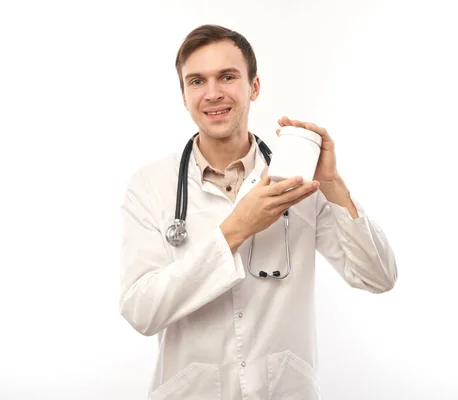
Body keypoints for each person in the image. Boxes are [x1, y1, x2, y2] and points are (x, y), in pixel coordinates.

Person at [119, 24, 398, 400]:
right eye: (197, 81)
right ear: (184, 96)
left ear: (254, 87)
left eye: (228, 77)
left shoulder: (299, 179)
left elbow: (378, 277)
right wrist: (236, 229)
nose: (213, 93)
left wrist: (333, 184)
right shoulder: (150, 185)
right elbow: (141, 311)